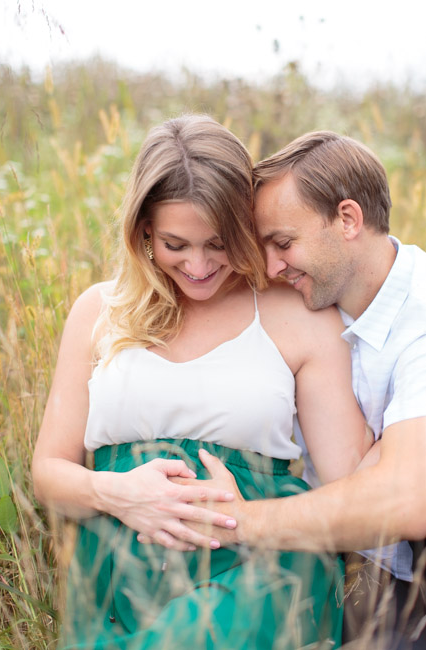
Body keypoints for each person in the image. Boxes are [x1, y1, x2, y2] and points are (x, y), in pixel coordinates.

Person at [32, 117, 371, 649]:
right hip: (121, 571)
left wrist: (255, 517)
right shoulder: (99, 311)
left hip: (261, 568)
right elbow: (48, 473)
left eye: (218, 243)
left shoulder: (297, 315)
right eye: (175, 243)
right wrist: (113, 492)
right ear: (143, 229)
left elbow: (351, 480)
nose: (197, 265)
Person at [158, 131, 426, 649]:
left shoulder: (420, 317)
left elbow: (407, 497)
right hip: (362, 562)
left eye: (283, 243)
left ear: (349, 220)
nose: (272, 266)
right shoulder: (307, 297)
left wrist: (241, 521)